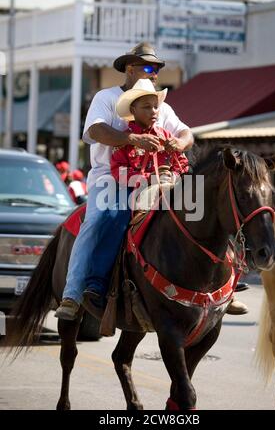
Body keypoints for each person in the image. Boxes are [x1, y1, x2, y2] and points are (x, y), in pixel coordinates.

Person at [55, 42, 194, 320]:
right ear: (129, 69)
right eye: (146, 67)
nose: (152, 73)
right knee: (102, 219)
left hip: (155, 181)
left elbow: (185, 132)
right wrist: (131, 138)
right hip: (111, 180)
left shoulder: (158, 104)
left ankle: (218, 284)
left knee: (198, 210)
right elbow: (95, 130)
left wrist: (178, 144)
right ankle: (72, 293)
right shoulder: (105, 98)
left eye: (155, 69)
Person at [111, 79, 189, 208]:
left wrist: (173, 176)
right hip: (134, 192)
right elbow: (119, 171)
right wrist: (147, 178)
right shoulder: (125, 140)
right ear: (133, 110)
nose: (153, 111)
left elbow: (182, 163)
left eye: (156, 106)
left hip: (170, 188)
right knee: (115, 217)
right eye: (147, 107)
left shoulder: (167, 136)